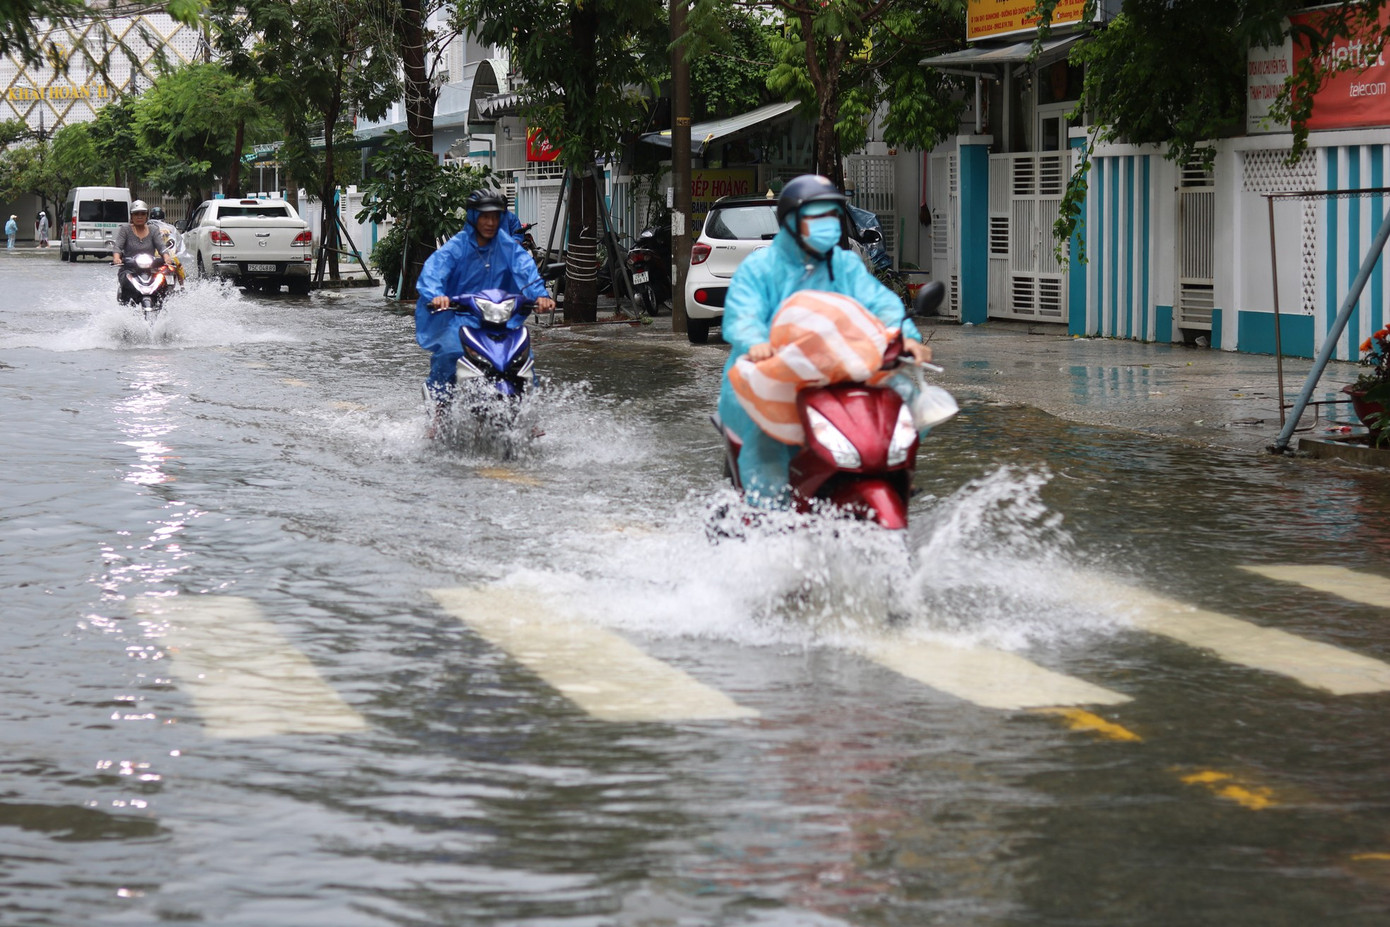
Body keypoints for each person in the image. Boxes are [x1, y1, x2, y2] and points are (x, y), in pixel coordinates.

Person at [717, 174, 932, 507]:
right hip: (772, 376)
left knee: (907, 401)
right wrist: (757, 341)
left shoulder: (844, 265)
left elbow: (879, 303)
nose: (828, 224)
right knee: (766, 445)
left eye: (832, 215)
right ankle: (764, 521)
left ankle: (896, 475)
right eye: (817, 216)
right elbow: (743, 313)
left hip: (839, 371)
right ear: (791, 221)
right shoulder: (760, 268)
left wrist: (905, 336)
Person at [414, 189, 555, 405]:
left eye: (495, 217)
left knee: (525, 358)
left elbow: (526, 271)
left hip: (502, 319)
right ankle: (440, 409)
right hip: (463, 318)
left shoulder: (508, 246)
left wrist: (541, 296)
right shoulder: (457, 246)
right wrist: (437, 295)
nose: (490, 222)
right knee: (449, 353)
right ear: (473, 216)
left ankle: (529, 413)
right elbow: (434, 270)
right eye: (485, 216)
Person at [112, 200, 173, 301]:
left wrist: (166, 257)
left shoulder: (153, 229)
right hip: (130, 269)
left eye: (142, 214)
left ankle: (162, 309)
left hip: (151, 269)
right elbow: (117, 247)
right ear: (131, 216)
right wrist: (117, 258)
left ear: (147, 216)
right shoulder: (125, 229)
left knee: (163, 282)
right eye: (136, 214)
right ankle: (126, 308)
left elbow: (161, 247)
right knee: (127, 284)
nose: (139, 216)